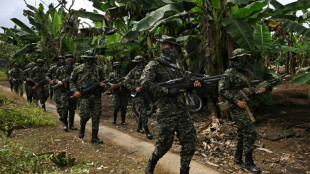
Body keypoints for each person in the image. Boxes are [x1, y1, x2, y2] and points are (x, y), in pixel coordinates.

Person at [140, 35, 201, 174]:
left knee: (190, 141)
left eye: (171, 46)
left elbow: (184, 84)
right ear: (161, 47)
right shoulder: (154, 64)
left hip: (181, 108)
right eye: (166, 45)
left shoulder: (178, 64)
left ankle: (184, 170)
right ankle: (152, 162)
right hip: (165, 108)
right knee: (164, 143)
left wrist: (192, 86)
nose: (169, 48)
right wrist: (167, 91)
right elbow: (145, 83)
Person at [218, 48, 266, 174]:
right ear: (236, 59)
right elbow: (222, 89)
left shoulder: (246, 72)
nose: (244, 59)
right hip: (235, 106)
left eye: (245, 57)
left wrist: (258, 91)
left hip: (246, 104)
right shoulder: (229, 72)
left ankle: (238, 159)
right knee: (250, 131)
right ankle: (249, 163)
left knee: (242, 132)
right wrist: (236, 101)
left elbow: (248, 90)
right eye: (241, 57)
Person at [70, 51, 105, 144]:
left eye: (91, 59)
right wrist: (75, 91)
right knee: (84, 115)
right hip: (84, 95)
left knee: (96, 116)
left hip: (96, 96)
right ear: (85, 58)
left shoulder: (98, 69)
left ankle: (94, 137)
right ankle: (82, 129)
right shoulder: (78, 68)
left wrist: (103, 85)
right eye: (88, 58)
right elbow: (72, 81)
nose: (89, 60)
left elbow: (103, 81)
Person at [124, 55, 153, 139]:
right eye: (137, 63)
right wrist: (134, 88)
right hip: (138, 95)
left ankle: (139, 128)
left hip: (146, 94)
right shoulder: (133, 71)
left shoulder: (146, 71)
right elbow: (125, 82)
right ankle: (147, 131)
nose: (139, 64)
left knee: (145, 110)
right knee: (143, 111)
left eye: (140, 63)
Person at [55, 54, 78, 132]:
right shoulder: (60, 69)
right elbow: (55, 77)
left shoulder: (76, 69)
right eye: (68, 60)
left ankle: (71, 124)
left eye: (71, 60)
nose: (69, 61)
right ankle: (65, 124)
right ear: (65, 60)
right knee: (64, 108)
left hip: (73, 92)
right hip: (63, 92)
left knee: (72, 109)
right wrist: (58, 81)